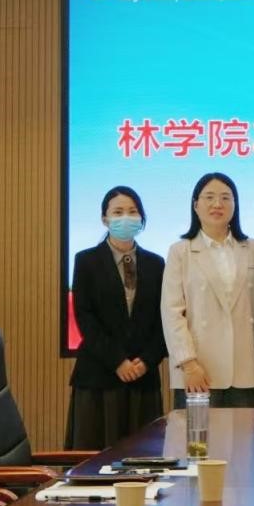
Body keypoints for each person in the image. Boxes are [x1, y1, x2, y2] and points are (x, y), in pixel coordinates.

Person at [66, 186, 167, 449]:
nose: (126, 217)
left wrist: (146, 361)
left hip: (143, 379)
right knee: (95, 458)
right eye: (118, 212)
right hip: (98, 377)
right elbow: (85, 317)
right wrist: (118, 361)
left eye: (133, 212)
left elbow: (164, 320)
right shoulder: (86, 261)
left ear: (141, 219)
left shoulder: (156, 264)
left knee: (144, 456)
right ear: (105, 219)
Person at [161, 172, 254, 408]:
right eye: (209, 197)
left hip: (245, 368)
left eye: (225, 198)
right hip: (198, 370)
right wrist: (189, 364)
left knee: (243, 433)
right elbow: (172, 312)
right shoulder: (181, 251)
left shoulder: (253, 249)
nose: (217, 204)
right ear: (195, 205)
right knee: (197, 433)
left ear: (235, 205)